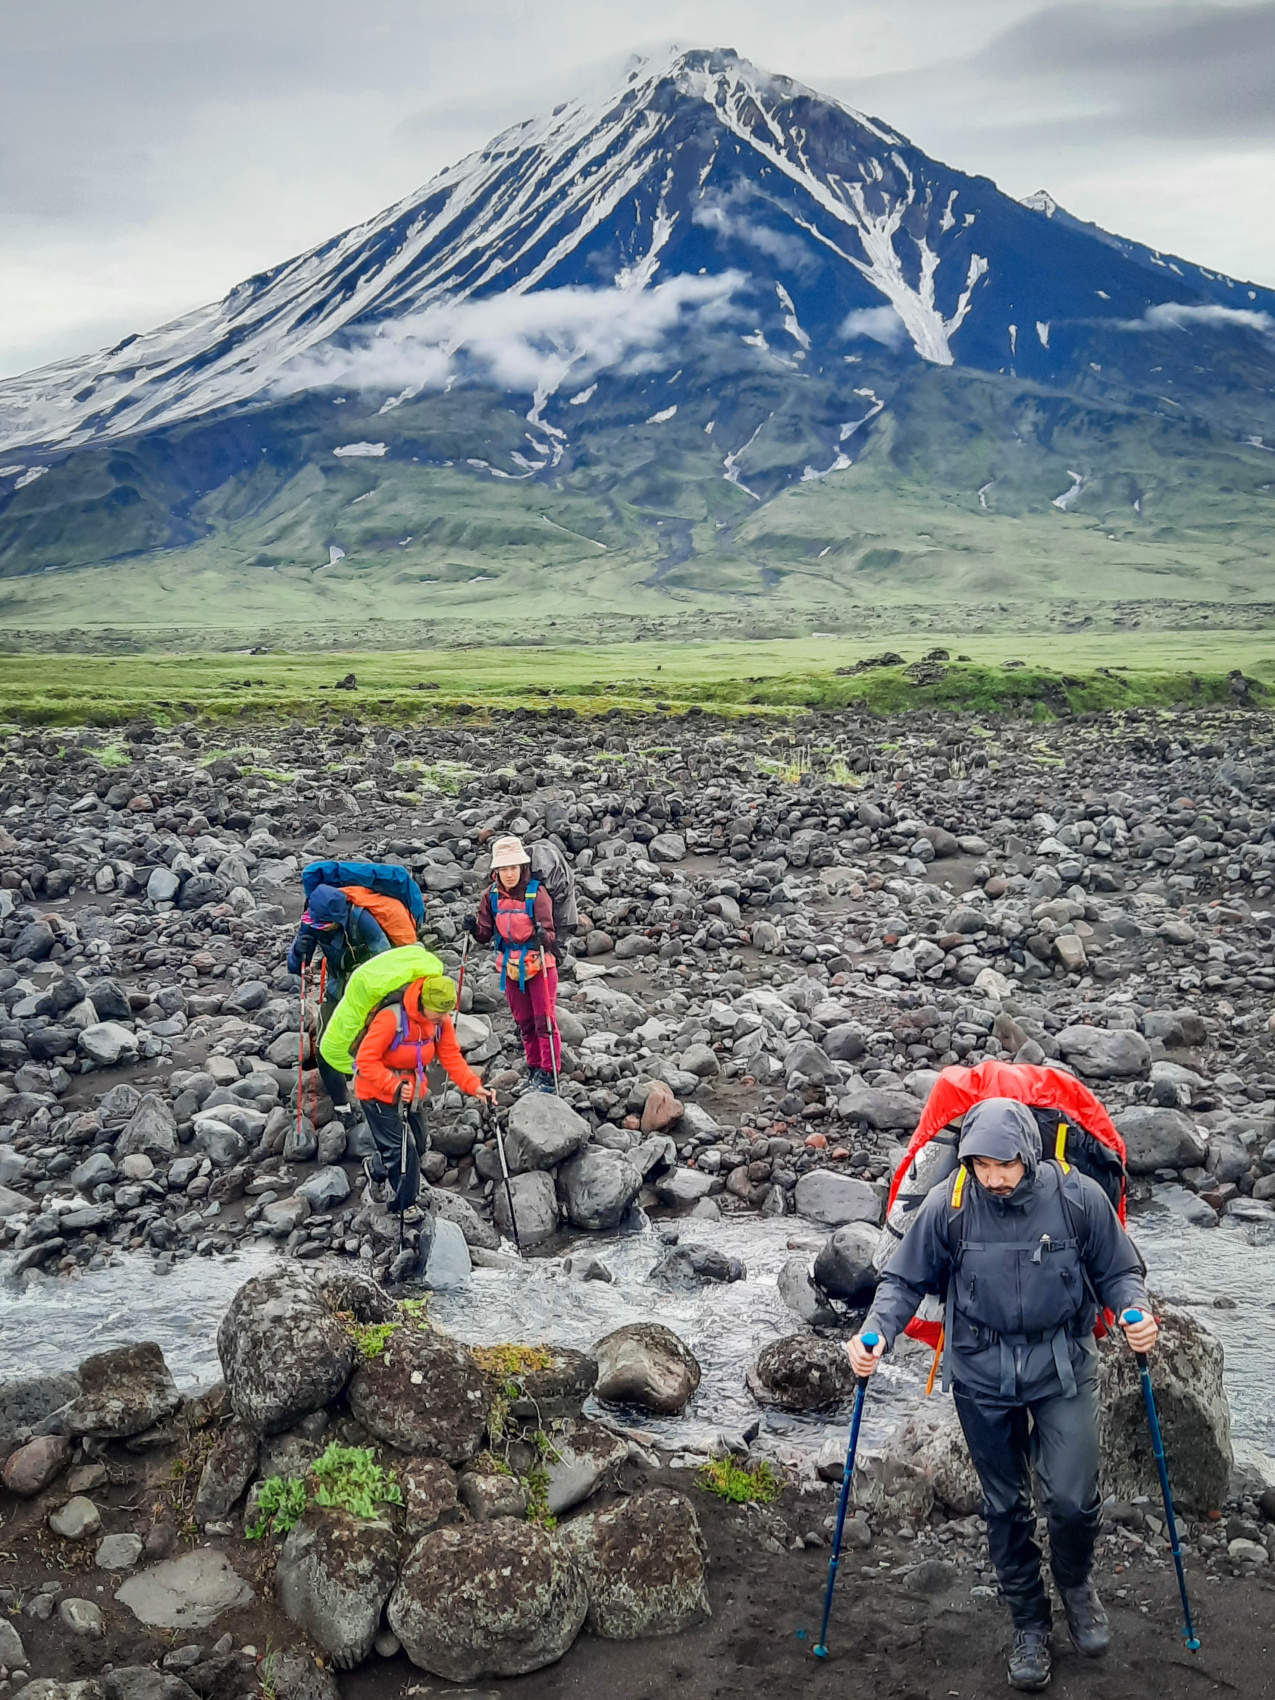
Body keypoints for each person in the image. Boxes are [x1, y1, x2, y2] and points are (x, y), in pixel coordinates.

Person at [848, 1097, 1157, 1693]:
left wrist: (1133, 1311)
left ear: (1029, 1155)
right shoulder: (952, 1203)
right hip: (982, 1373)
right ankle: (1030, 1624)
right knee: (1005, 1505)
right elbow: (904, 1279)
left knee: (1070, 1498)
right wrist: (874, 1333)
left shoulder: (1077, 1198)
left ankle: (1075, 1584)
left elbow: (1119, 1270)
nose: (993, 1176)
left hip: (1062, 1366)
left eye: (1004, 1164)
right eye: (981, 1163)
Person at [353, 972, 494, 1212]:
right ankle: (405, 1205)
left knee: (418, 1146)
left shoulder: (440, 1022)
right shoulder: (391, 1019)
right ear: (422, 1004)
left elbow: (451, 1057)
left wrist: (475, 1087)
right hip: (376, 1093)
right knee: (402, 1151)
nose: (443, 1018)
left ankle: (376, 1167)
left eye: (447, 1013)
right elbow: (365, 1061)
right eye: (438, 1012)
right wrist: (395, 1087)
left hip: (412, 1092)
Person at [467, 834, 560, 1092]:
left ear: (522, 867)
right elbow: (485, 934)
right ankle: (534, 1069)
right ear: (496, 870)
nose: (509, 874)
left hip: (539, 965)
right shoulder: (492, 896)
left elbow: (550, 936)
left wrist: (542, 937)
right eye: (504, 868)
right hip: (509, 966)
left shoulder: (536, 893)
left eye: (513, 868)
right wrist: (473, 928)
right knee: (524, 1023)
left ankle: (549, 1075)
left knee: (544, 1022)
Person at [287, 883, 391, 1000]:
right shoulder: (310, 922)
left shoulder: (362, 920)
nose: (322, 928)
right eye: (319, 924)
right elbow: (294, 968)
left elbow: (385, 959)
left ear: (339, 918)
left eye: (326, 924)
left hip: (366, 981)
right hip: (335, 984)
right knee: (331, 1017)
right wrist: (297, 952)